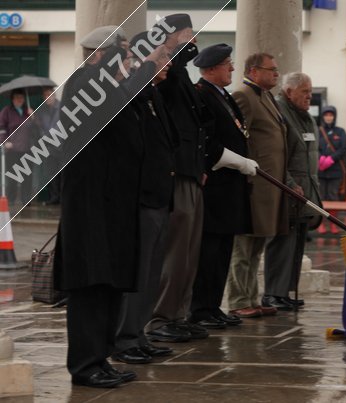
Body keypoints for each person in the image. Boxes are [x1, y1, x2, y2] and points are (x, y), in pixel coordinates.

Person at [54, 26, 165, 388]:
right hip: (91, 207)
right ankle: (85, 365)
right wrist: (147, 67)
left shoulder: (112, 85)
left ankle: (100, 358)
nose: (129, 61)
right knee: (91, 287)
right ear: (100, 54)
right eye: (123, 53)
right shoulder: (87, 81)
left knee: (109, 286)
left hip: (113, 205)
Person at [112, 32, 179, 366]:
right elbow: (127, 95)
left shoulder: (153, 94)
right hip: (142, 197)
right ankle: (124, 338)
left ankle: (138, 334)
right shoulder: (131, 92)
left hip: (159, 194)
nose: (167, 64)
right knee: (138, 273)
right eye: (161, 58)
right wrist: (146, 65)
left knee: (152, 272)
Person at [146, 14, 210, 342]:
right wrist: (175, 43)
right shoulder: (167, 68)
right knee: (175, 251)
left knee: (189, 251)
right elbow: (173, 62)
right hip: (177, 170)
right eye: (188, 33)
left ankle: (179, 314)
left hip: (191, 169)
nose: (194, 38)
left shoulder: (181, 73)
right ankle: (160, 317)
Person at [188, 44, 258, 328]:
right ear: (212, 68)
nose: (232, 68)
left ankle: (213, 305)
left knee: (223, 251)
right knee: (209, 251)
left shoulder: (222, 94)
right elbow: (206, 140)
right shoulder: (202, 95)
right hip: (215, 186)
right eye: (227, 63)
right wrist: (238, 162)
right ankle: (201, 309)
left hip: (229, 188)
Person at [227, 53, 288, 318]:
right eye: (271, 69)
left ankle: (252, 296)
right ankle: (239, 300)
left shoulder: (266, 97)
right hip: (253, 184)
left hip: (270, 186)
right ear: (254, 71)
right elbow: (238, 138)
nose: (276, 73)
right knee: (243, 247)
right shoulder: (244, 96)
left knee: (257, 247)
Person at [263, 72, 322, 310]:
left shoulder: (305, 117)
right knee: (281, 242)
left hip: (306, 191)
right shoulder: (281, 113)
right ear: (289, 92)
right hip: (287, 190)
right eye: (305, 92)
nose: (310, 96)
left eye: (311, 91)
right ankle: (273, 293)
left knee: (297, 243)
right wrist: (288, 183)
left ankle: (286, 291)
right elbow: (277, 155)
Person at [317, 105, 346, 234]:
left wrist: (331, 159)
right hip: (321, 171)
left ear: (334, 116)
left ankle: (334, 223)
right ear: (323, 117)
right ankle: (322, 223)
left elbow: (343, 148)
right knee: (322, 198)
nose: (328, 117)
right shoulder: (318, 131)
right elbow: (313, 147)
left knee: (333, 197)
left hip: (335, 171)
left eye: (331, 115)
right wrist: (320, 158)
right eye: (326, 115)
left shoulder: (340, 131)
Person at [0, 89, 33, 204]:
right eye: (17, 97)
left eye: (22, 98)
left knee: (27, 177)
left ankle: (26, 201)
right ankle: (11, 200)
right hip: (12, 150)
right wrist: (5, 141)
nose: (20, 100)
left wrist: (33, 117)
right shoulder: (6, 111)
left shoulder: (28, 111)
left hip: (27, 149)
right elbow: (1, 128)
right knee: (13, 177)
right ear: (13, 99)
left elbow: (36, 129)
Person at [35, 87, 62, 205]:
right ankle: (53, 198)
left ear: (54, 95)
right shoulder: (41, 111)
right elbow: (40, 128)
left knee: (62, 173)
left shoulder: (63, 107)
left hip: (61, 146)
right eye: (45, 96)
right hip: (48, 147)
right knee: (51, 173)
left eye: (49, 95)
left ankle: (62, 198)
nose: (47, 98)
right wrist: (34, 119)